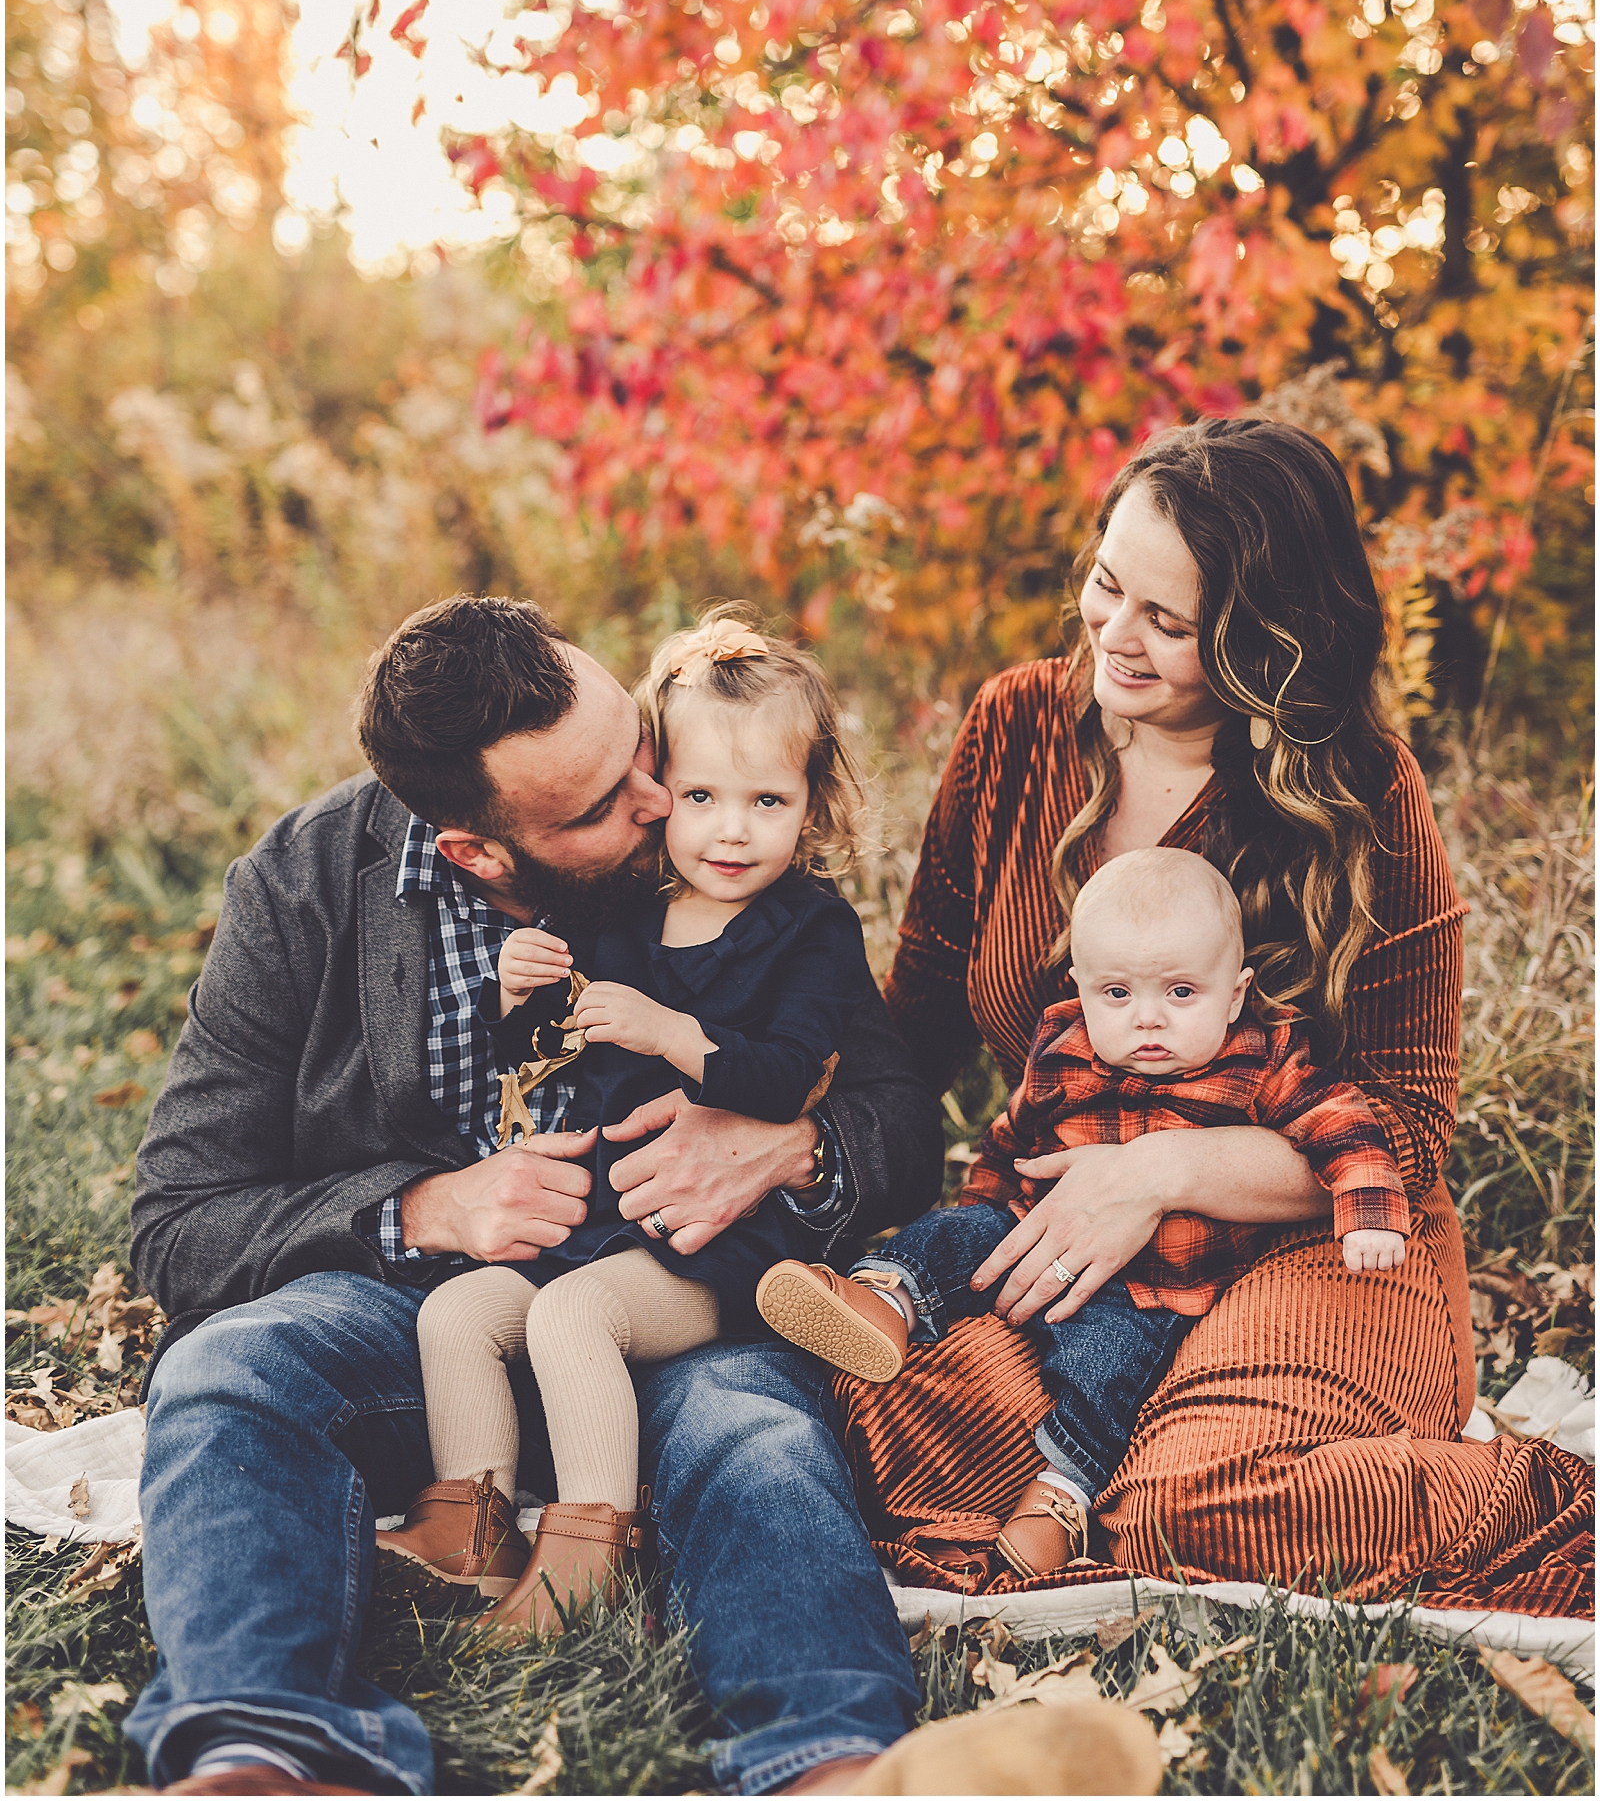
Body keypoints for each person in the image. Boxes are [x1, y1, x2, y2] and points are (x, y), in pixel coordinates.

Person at [125, 594, 1152, 1799]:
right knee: (227, 1373)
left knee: (759, 1440)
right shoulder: (303, 889)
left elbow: (894, 1118)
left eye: (641, 751)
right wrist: (427, 1210)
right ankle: (267, 1753)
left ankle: (835, 1765)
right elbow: (179, 1220)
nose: (661, 803)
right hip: (417, 1319)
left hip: (666, 1300)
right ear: (478, 850)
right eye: (608, 803)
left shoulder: (725, 876)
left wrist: (790, 1149)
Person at [830, 417, 1590, 1613]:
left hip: (1323, 1234)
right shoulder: (1018, 729)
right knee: (867, 1423)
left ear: (1266, 648)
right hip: (1077, 1217)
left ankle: (1532, 1491)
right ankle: (1089, 1457)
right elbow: (914, 1020)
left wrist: (1162, 1172)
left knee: (1189, 1503)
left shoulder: (1363, 794)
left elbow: (1405, 1125)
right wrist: (796, 1142)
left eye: (1167, 624)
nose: (1112, 637)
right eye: (1104, 583)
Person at [380, 610, 881, 1636]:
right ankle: (467, 1532)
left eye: (766, 801)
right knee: (457, 1317)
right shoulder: (621, 915)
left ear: (811, 804)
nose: (728, 830)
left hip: (720, 1244)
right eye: (699, 796)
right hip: (608, 1225)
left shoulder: (809, 929)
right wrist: (517, 1004)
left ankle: (588, 1563)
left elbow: (790, 1076)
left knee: (570, 1320)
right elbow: (546, 1065)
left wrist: (671, 1031)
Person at [758, 844, 1409, 1579]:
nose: (1148, 1021)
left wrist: (1369, 1207)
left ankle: (1060, 1496)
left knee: (1109, 1375)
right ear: (1082, 989)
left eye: (1182, 994)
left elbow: (1342, 1123)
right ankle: (883, 1299)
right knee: (952, 1234)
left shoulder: (1261, 1057)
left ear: (1236, 993)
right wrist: (982, 1219)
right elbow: (1013, 1143)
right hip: (1037, 1232)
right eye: (1118, 995)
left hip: (1151, 1291)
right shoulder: (1062, 1046)